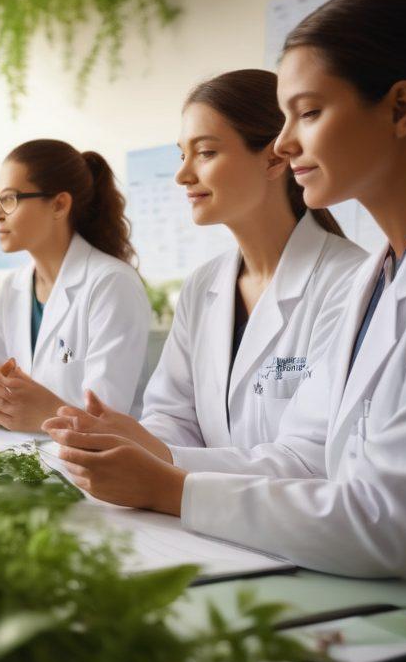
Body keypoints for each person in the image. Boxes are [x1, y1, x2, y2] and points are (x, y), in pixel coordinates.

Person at [46, 0, 406, 580]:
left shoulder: (345, 278)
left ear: (401, 109)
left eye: (310, 112)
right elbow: (330, 466)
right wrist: (151, 457)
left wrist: (170, 481)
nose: (287, 138)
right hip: (300, 557)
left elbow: (369, 505)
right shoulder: (375, 283)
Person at [59, 70, 365, 468]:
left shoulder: (349, 282)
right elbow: (171, 414)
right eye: (182, 155)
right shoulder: (204, 285)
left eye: (205, 152)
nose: (183, 175)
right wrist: (140, 445)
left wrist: (163, 460)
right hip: (186, 516)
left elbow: (311, 458)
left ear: (274, 158)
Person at [0, 140, 151, 430]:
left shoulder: (111, 283)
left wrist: (13, 409)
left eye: (8, 199)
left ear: (59, 205)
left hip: (94, 463)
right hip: (21, 452)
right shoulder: (15, 286)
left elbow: (103, 413)